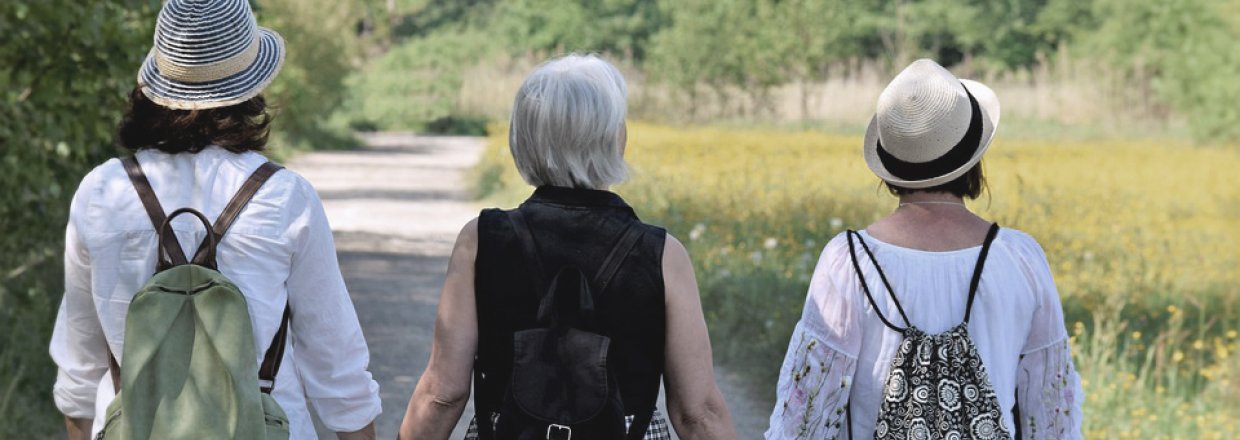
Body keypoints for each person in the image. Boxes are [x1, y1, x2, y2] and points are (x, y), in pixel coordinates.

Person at [49, 0, 380, 438]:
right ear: (250, 88)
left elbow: (80, 366)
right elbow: (335, 360)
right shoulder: (284, 196)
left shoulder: (101, 193)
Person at [397, 54, 737, 440]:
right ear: (616, 138)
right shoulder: (661, 254)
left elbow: (442, 394)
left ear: (523, 137)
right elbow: (698, 413)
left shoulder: (481, 240)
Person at [766, 59, 1083, 439]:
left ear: (890, 165)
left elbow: (808, 411)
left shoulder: (849, 260)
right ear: (972, 159)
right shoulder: (1020, 257)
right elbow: (1050, 408)